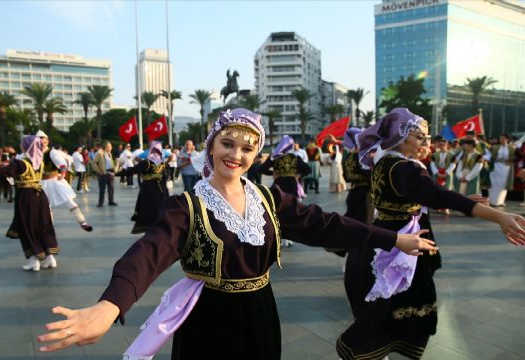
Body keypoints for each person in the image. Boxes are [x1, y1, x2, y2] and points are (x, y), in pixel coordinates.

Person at [37, 108, 437, 359]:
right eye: (227, 144)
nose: (236, 155)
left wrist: (393, 239)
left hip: (260, 310)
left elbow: (326, 225)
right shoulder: (188, 205)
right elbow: (147, 254)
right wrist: (110, 306)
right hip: (208, 318)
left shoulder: (268, 197)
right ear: (211, 148)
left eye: (247, 149)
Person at [337, 107, 525, 360]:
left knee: (387, 303)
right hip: (399, 244)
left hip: (386, 235)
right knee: (391, 306)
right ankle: (367, 349)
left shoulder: (383, 162)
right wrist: (499, 216)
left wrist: (459, 199)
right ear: (400, 137)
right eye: (418, 137)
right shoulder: (404, 168)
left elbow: (416, 196)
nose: (425, 143)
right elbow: (434, 194)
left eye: (426, 137)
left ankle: (374, 350)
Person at [0, 135, 59, 272]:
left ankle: (33, 260)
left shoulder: (21, 163)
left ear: (26, 146)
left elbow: (2, 173)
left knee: (27, 227)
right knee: (43, 226)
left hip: (26, 197)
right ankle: (50, 258)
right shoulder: (39, 161)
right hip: (40, 196)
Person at [37, 131, 93, 233]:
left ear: (47, 141)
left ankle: (83, 222)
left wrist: (63, 173)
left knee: (69, 201)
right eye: (39, 140)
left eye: (44, 139)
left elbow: (62, 163)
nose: (42, 142)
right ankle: (49, 227)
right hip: (42, 182)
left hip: (55, 180)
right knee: (46, 206)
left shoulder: (52, 152)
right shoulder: (34, 153)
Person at [122, 141, 169, 234]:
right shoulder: (148, 156)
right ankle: (153, 226)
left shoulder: (161, 156)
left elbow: (165, 173)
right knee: (151, 205)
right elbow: (136, 161)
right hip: (151, 186)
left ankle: (157, 226)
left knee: (156, 205)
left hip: (157, 185)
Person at [489, 134, 515, 207]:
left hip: (506, 168)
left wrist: (510, 161)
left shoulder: (511, 148)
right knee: (494, 183)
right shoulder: (495, 147)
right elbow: (491, 156)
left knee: (503, 184)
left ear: (507, 139)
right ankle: (492, 201)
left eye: (503, 139)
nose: (501, 140)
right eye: (500, 139)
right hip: (496, 166)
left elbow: (514, 158)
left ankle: (501, 201)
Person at [91, 141, 118, 207]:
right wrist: (99, 171)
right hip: (103, 172)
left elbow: (110, 163)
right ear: (106, 148)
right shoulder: (99, 153)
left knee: (111, 187)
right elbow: (94, 163)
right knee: (102, 188)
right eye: (110, 146)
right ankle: (101, 202)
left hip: (110, 172)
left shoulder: (110, 154)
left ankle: (111, 201)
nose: (111, 148)